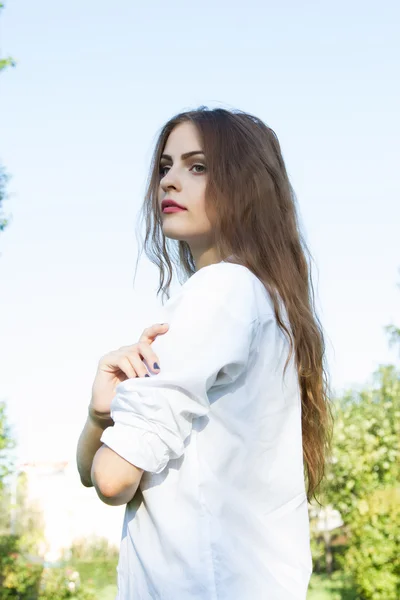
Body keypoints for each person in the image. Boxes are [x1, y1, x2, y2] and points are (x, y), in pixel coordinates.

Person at [76, 107, 332, 599]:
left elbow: (111, 479)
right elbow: (97, 474)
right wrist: (98, 415)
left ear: (247, 185)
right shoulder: (265, 301)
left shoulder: (222, 291)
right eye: (165, 167)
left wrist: (122, 418)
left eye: (197, 166)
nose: (170, 181)